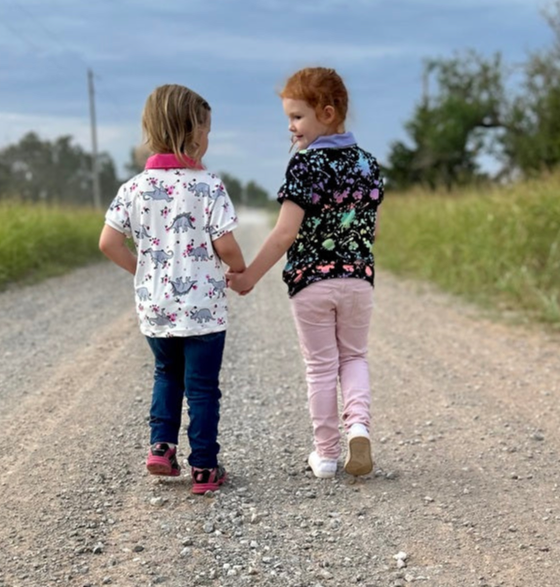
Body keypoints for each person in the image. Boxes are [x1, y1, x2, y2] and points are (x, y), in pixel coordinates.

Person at [227, 67, 384, 479]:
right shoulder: (369, 165)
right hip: (357, 281)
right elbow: (376, 228)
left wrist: (248, 277)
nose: (291, 127)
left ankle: (327, 455)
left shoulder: (305, 166)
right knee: (354, 357)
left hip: (312, 283)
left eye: (297, 117)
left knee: (319, 367)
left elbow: (283, 233)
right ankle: (359, 428)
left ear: (327, 114)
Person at [99, 84, 246, 494]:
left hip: (156, 309)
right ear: (193, 132)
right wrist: (239, 268)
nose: (209, 138)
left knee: (167, 374)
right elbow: (226, 245)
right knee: (202, 388)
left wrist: (141, 271)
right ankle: (204, 468)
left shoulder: (134, 189)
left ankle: (161, 448)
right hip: (204, 312)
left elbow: (108, 243)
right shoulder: (209, 186)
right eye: (207, 130)